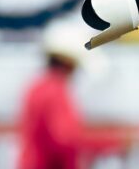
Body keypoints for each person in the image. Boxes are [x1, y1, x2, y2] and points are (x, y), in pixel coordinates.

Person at [17, 25, 126, 169]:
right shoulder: (55, 91)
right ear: (69, 62)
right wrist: (112, 142)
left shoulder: (37, 87)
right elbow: (66, 139)